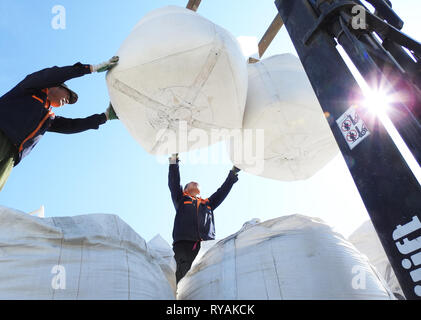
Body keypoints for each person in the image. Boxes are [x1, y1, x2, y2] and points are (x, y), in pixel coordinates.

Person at [0, 57, 120, 191]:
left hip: (12, 156)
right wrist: (91, 68)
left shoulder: (47, 118)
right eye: (68, 95)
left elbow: (72, 126)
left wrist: (105, 117)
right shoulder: (29, 87)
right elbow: (54, 75)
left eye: (68, 101)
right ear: (55, 86)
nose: (67, 101)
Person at [168, 153, 240, 283]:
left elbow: (222, 191)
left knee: (207, 282)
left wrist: (233, 173)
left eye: (197, 183)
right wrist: (174, 161)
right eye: (191, 183)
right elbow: (174, 182)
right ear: (185, 190)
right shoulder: (181, 199)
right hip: (184, 245)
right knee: (181, 280)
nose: (195, 183)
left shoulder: (208, 203)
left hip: (207, 247)